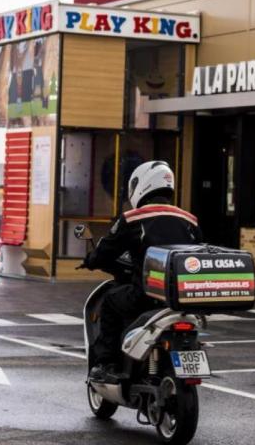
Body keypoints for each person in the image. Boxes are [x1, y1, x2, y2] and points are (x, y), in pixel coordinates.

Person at [84, 161, 203, 382]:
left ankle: (105, 364)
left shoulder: (133, 218)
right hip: (181, 298)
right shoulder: (190, 220)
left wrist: (91, 260)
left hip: (146, 296)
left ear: (141, 185)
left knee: (110, 301)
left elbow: (106, 251)